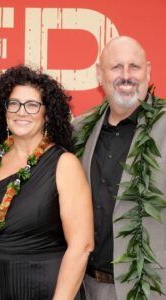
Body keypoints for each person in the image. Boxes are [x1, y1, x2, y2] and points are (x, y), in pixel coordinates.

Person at [0, 65, 94, 299]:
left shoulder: (64, 164)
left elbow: (82, 246)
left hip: (47, 289)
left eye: (32, 105)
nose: (21, 112)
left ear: (47, 114)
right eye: (14, 103)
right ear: (4, 110)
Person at [73, 36, 166, 300]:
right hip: (87, 286)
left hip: (151, 290)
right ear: (99, 75)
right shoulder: (79, 130)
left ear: (148, 70)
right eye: (116, 67)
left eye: (134, 67)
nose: (126, 76)